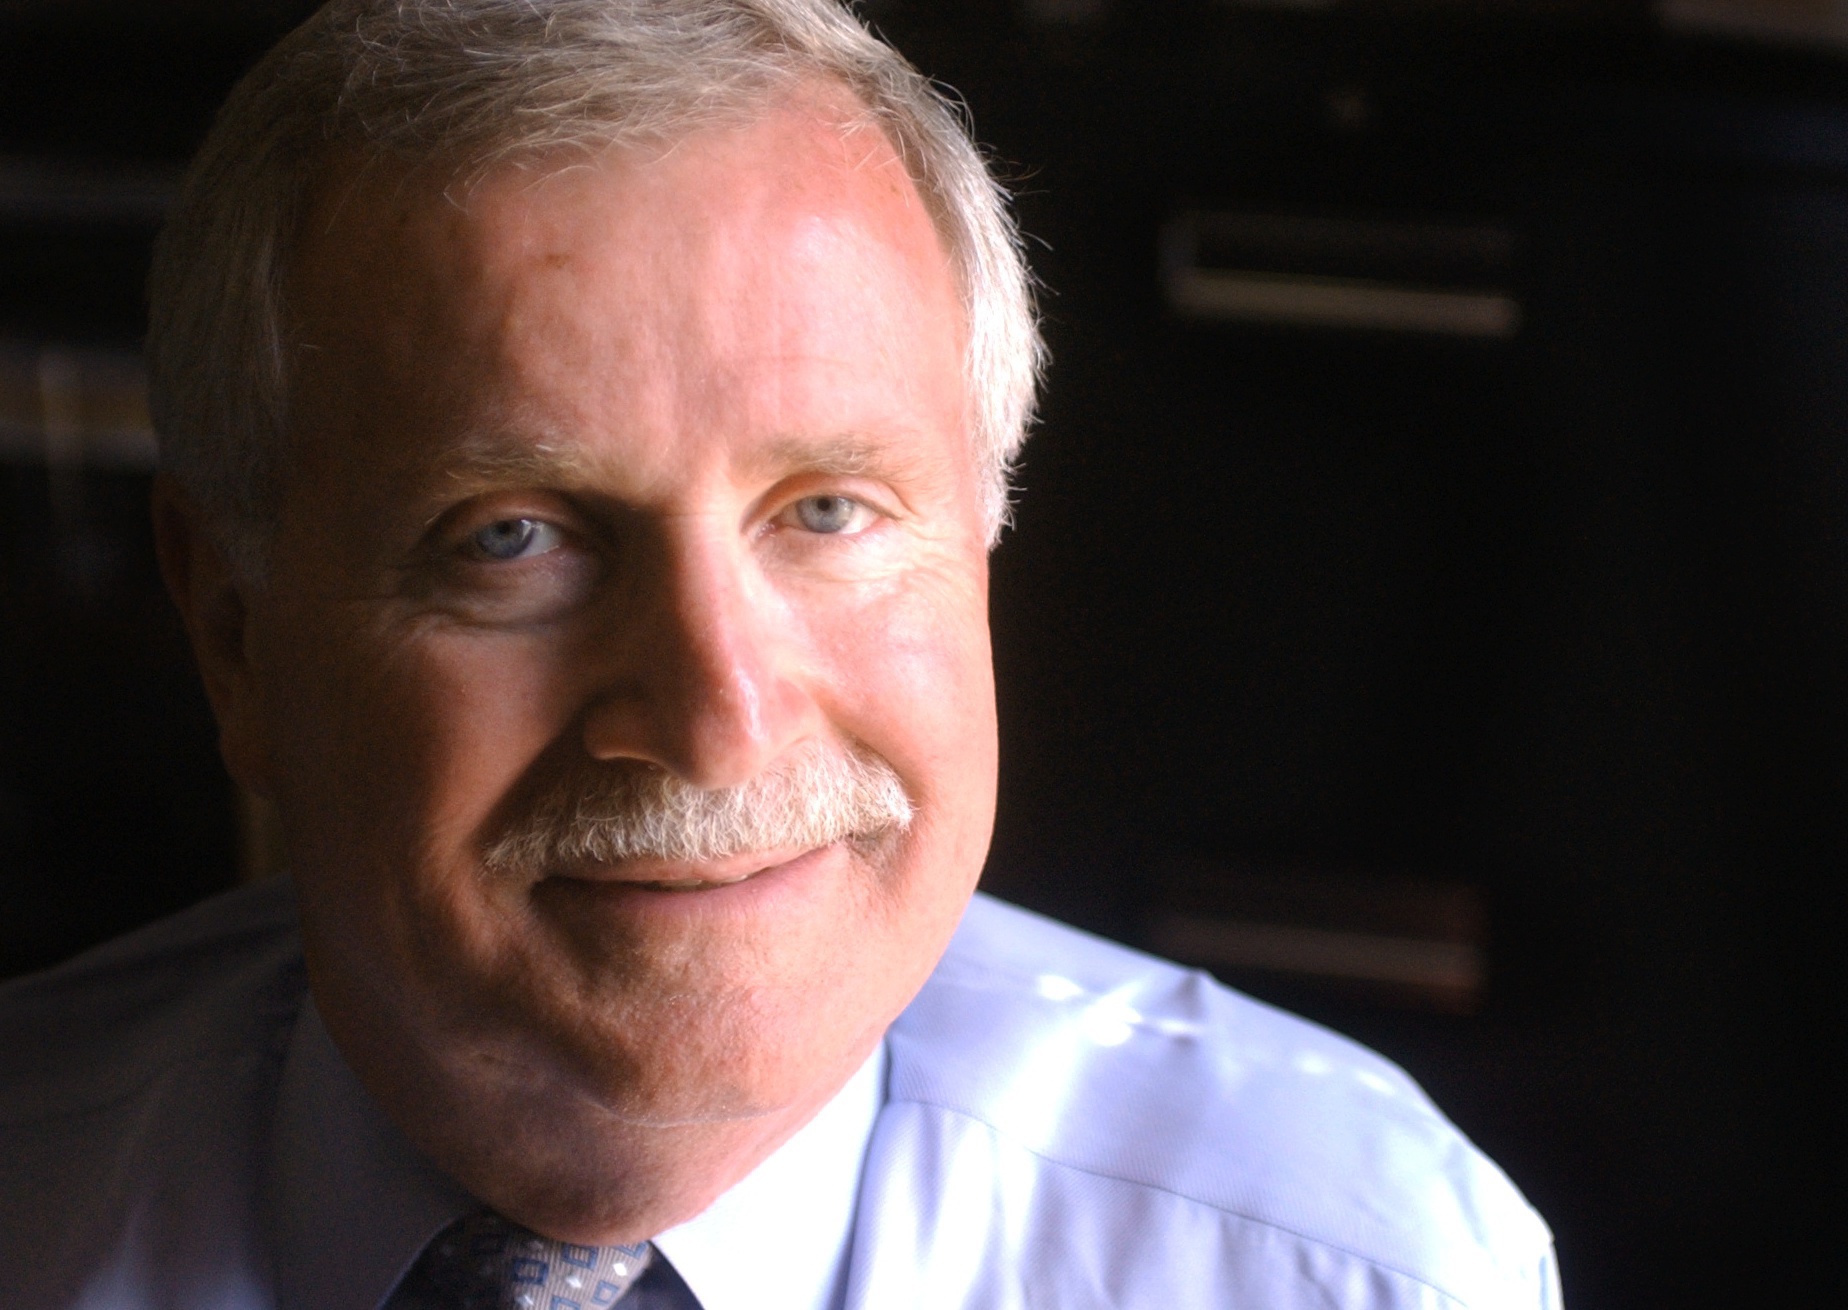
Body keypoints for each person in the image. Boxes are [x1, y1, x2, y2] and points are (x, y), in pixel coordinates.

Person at [0, 2, 1559, 1307]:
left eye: (825, 510)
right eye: (513, 537)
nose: (718, 716)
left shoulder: (1351, 1269)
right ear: (232, 633)